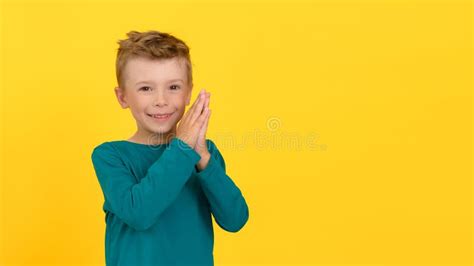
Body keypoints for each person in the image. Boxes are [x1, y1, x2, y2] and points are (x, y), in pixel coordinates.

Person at [91, 30, 249, 266]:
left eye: (173, 87)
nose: (161, 100)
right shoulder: (110, 156)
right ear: (123, 97)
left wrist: (202, 157)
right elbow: (139, 213)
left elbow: (235, 219)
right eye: (146, 88)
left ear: (188, 92)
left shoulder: (203, 154)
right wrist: (183, 148)